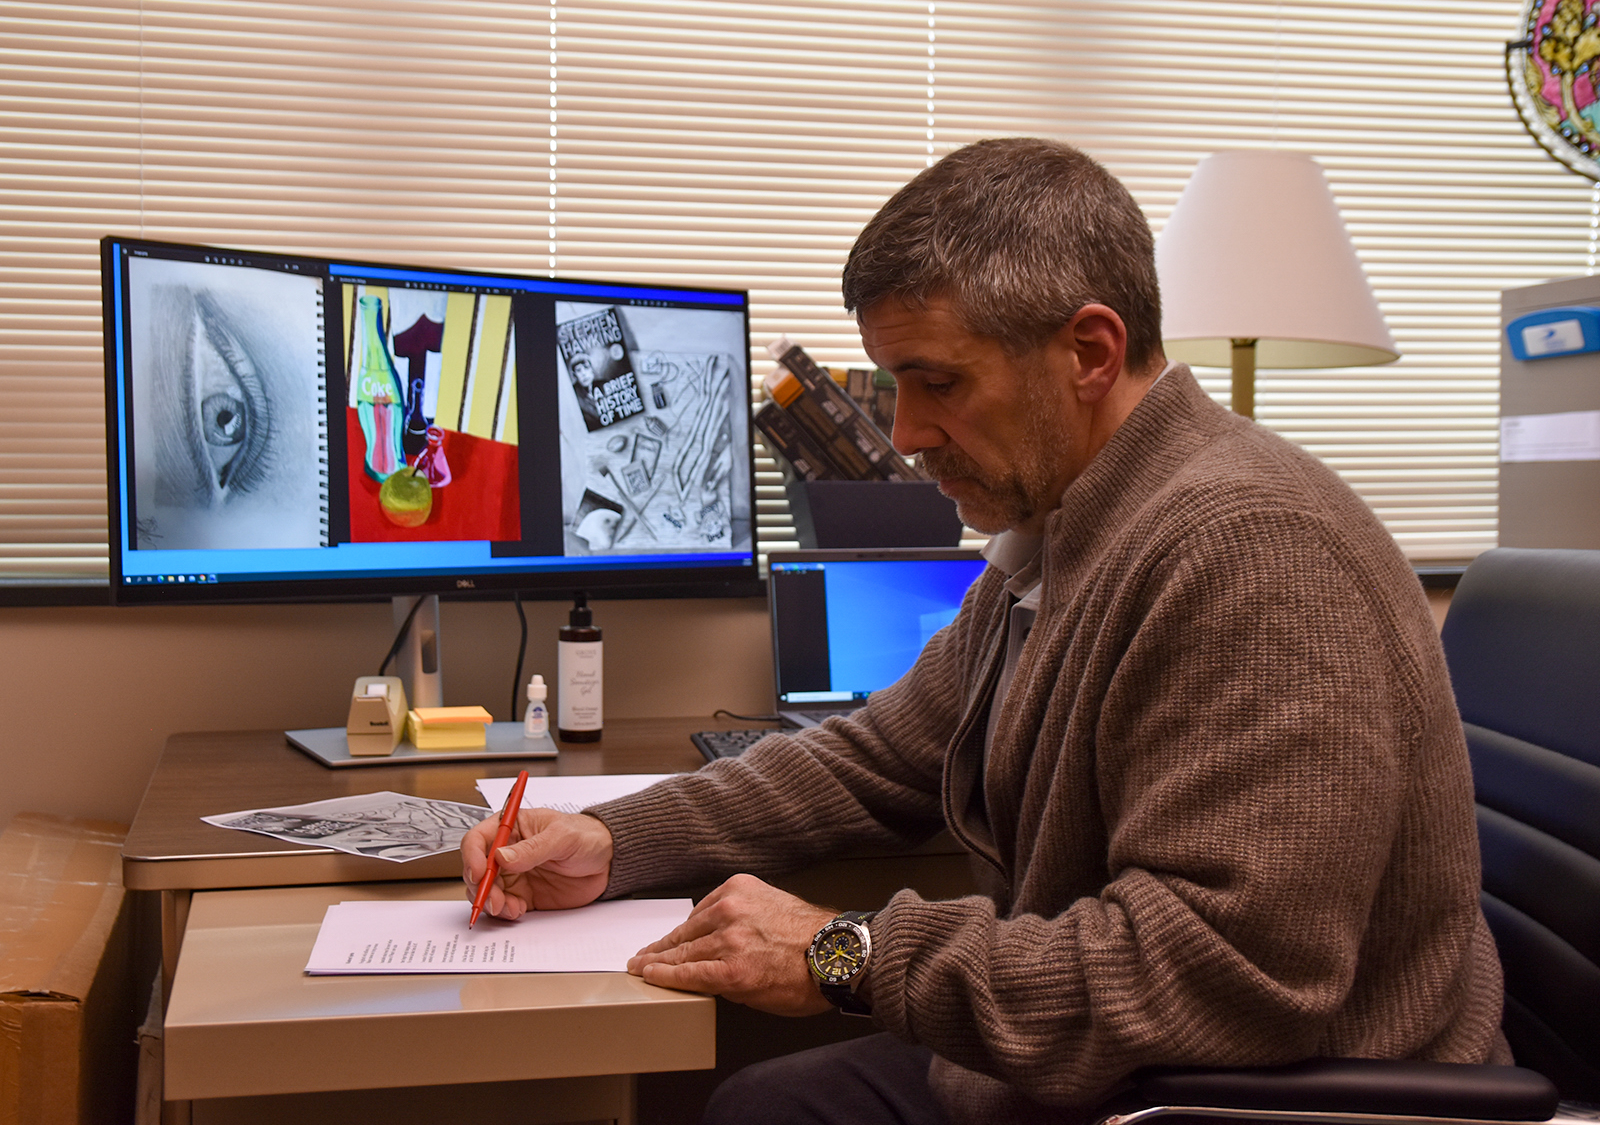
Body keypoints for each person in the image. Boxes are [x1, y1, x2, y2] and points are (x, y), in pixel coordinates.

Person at [462, 138, 1506, 1125]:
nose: (905, 433)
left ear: (1089, 351)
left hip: (1233, 1096)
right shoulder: (1061, 530)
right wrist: (619, 839)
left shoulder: (1251, 552)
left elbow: (1221, 976)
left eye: (938, 382)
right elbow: (873, 758)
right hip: (1099, 1066)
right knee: (745, 1101)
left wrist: (843, 953)